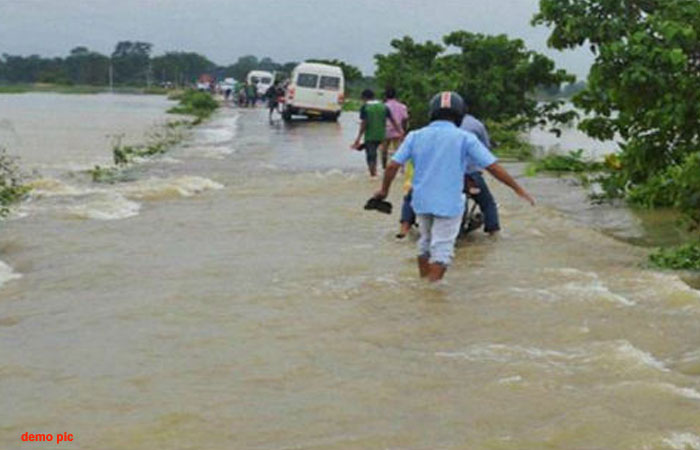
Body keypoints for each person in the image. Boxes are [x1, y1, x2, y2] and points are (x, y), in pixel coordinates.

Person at [373, 91, 535, 282]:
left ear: (432, 112)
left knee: (425, 243)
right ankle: (431, 295)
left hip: (422, 201)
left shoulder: (415, 136)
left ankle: (422, 282)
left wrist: (384, 191)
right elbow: (492, 167)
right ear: (459, 114)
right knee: (442, 249)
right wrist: (518, 188)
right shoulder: (465, 138)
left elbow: (392, 165)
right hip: (448, 203)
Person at [460, 106, 500, 235]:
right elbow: (485, 150)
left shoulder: (440, 126)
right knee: (488, 204)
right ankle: (493, 232)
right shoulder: (476, 124)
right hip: (472, 174)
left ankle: (406, 224)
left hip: (445, 175)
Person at [351, 89, 403, 177]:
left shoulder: (365, 107)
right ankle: (386, 171)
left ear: (364, 98)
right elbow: (393, 120)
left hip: (370, 136)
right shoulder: (383, 106)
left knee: (371, 156)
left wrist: (358, 138)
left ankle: (373, 175)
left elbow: (364, 123)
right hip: (382, 135)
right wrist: (400, 132)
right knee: (384, 152)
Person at [380, 87, 409, 169]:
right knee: (399, 151)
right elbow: (405, 119)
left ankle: (384, 168)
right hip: (398, 131)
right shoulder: (402, 106)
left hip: (386, 131)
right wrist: (404, 131)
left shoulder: (383, 106)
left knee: (384, 150)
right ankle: (401, 169)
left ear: (385, 96)